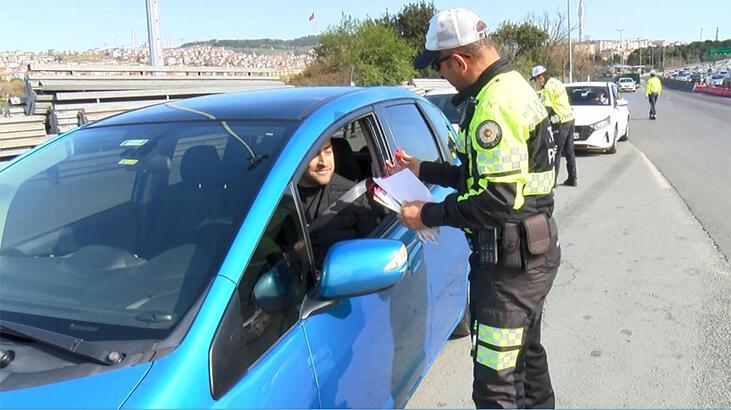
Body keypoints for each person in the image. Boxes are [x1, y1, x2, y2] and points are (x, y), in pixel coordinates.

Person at [391, 8, 561, 409]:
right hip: (531, 256)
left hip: (508, 269)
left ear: (460, 61)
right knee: (526, 359)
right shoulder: (513, 86)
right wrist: (423, 168)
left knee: (495, 382)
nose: (442, 75)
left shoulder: (493, 106)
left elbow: (495, 199)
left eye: (440, 65)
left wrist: (426, 214)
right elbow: (481, 175)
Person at [297, 138, 377, 270]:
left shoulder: (354, 199)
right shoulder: (277, 199)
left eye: (328, 152)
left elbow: (372, 256)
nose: (323, 162)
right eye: (314, 155)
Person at [531, 65, 577, 187]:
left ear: (541, 77)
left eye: (535, 79)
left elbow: (546, 110)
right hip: (570, 119)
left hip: (560, 123)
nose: (536, 83)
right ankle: (573, 178)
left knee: (555, 152)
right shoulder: (557, 83)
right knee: (569, 151)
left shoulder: (547, 89)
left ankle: (553, 182)